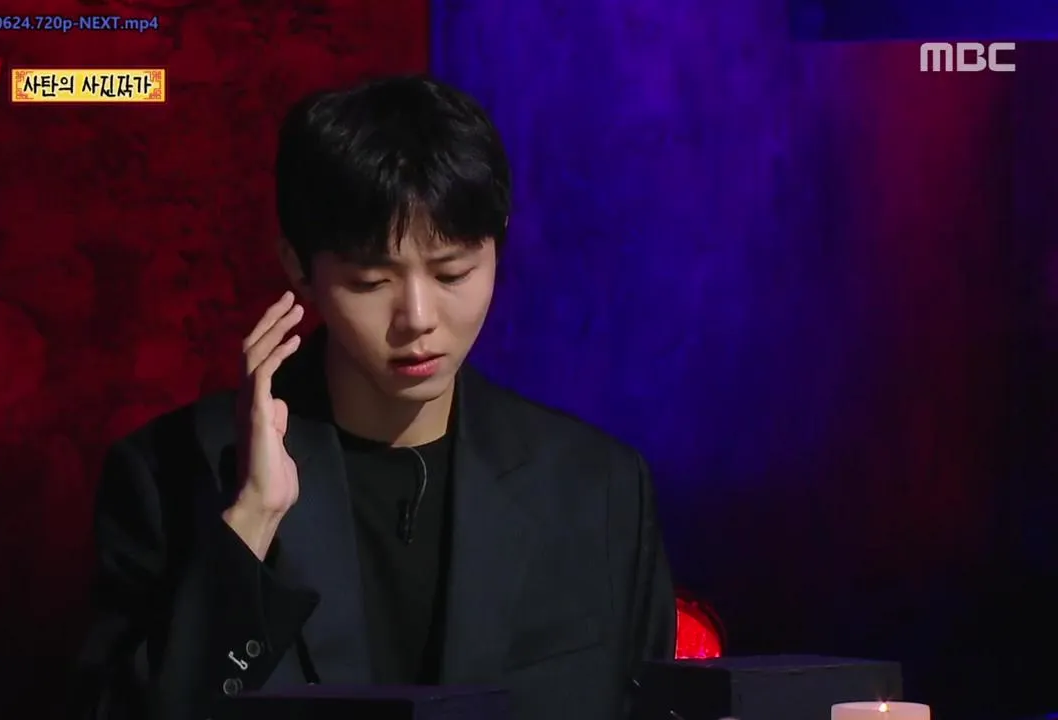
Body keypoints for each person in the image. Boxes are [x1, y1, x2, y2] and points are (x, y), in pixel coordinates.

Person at [74, 75, 677, 720]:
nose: (417, 318)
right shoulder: (168, 475)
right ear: (298, 266)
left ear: (498, 244)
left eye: (452, 273)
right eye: (369, 282)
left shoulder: (598, 487)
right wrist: (251, 522)